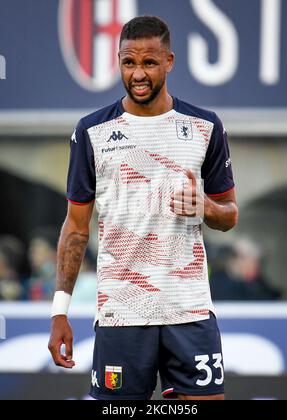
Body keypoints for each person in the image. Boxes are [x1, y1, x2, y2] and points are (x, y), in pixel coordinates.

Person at [48, 16, 238, 401]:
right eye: (128, 62)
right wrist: (59, 311)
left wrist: (204, 207)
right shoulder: (91, 132)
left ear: (169, 61)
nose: (138, 73)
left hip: (190, 310)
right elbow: (76, 227)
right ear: (118, 61)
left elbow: (230, 215)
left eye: (149, 62)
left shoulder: (205, 126)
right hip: (122, 313)